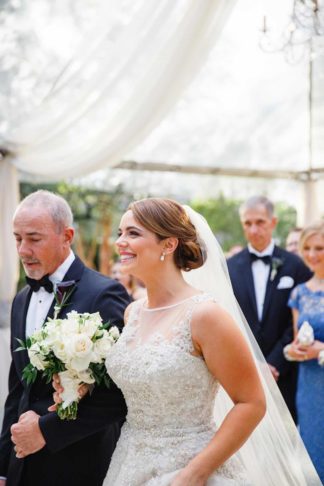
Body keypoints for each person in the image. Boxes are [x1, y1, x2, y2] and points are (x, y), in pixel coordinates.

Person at [53, 198, 321, 485]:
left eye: (133, 233)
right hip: (128, 463)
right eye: (120, 232)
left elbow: (251, 403)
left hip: (190, 467)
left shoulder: (205, 315)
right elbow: (141, 383)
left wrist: (195, 473)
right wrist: (80, 387)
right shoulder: (132, 312)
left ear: (168, 245)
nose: (120, 242)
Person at [0, 190, 130, 486]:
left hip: (79, 466)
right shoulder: (22, 299)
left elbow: (119, 395)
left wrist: (47, 431)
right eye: (17, 238)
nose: (22, 250)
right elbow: (19, 390)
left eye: (34, 238)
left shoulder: (105, 294)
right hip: (23, 466)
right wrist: (4, 467)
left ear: (66, 235)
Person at [227, 196, 312, 421]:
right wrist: (252, 364)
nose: (254, 229)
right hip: (243, 373)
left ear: (273, 222)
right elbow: (229, 317)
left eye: (260, 222)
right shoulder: (229, 268)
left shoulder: (296, 265)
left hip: (286, 374)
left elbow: (298, 321)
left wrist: (273, 363)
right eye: (248, 223)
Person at [284, 221, 324, 482]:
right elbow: (298, 341)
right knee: (313, 446)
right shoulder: (299, 293)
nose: (311, 254)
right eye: (306, 248)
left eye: (319, 247)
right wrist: (293, 350)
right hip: (309, 385)